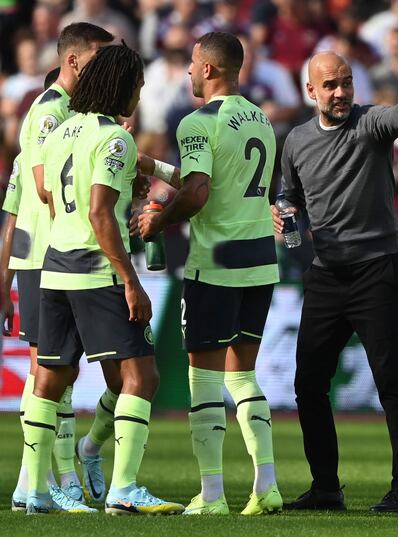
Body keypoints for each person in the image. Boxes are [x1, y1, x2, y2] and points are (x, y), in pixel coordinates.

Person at [273, 51, 398, 513]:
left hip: (376, 272)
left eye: (346, 82)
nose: (341, 92)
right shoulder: (296, 141)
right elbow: (288, 195)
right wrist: (283, 213)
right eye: (330, 85)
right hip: (326, 275)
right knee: (308, 384)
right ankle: (326, 487)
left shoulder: (369, 123)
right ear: (311, 91)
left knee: (391, 380)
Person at [24, 42, 183, 516]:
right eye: (136, 85)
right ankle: (124, 489)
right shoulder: (115, 138)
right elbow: (98, 212)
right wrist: (129, 280)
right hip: (96, 271)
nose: (138, 94)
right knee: (142, 376)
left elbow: (51, 196)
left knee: (50, 380)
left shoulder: (62, 131)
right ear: (121, 87)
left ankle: (34, 493)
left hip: (54, 266)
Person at [137, 31, 282, 517]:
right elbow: (219, 181)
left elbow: (198, 193)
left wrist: (159, 218)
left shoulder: (197, 120)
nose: (189, 72)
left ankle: (213, 495)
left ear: (209, 69)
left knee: (204, 383)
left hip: (216, 263)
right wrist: (155, 166)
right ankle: (267, 486)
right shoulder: (259, 117)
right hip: (260, 258)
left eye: (194, 65)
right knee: (243, 375)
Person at [0, 23, 117, 513]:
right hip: (49, 254)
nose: (107, 69)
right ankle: (49, 483)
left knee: (56, 372)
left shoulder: (67, 113)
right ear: (74, 61)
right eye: (99, 59)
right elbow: (44, 188)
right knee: (50, 372)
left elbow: (13, 202)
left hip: (49, 255)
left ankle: (39, 484)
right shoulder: (51, 112)